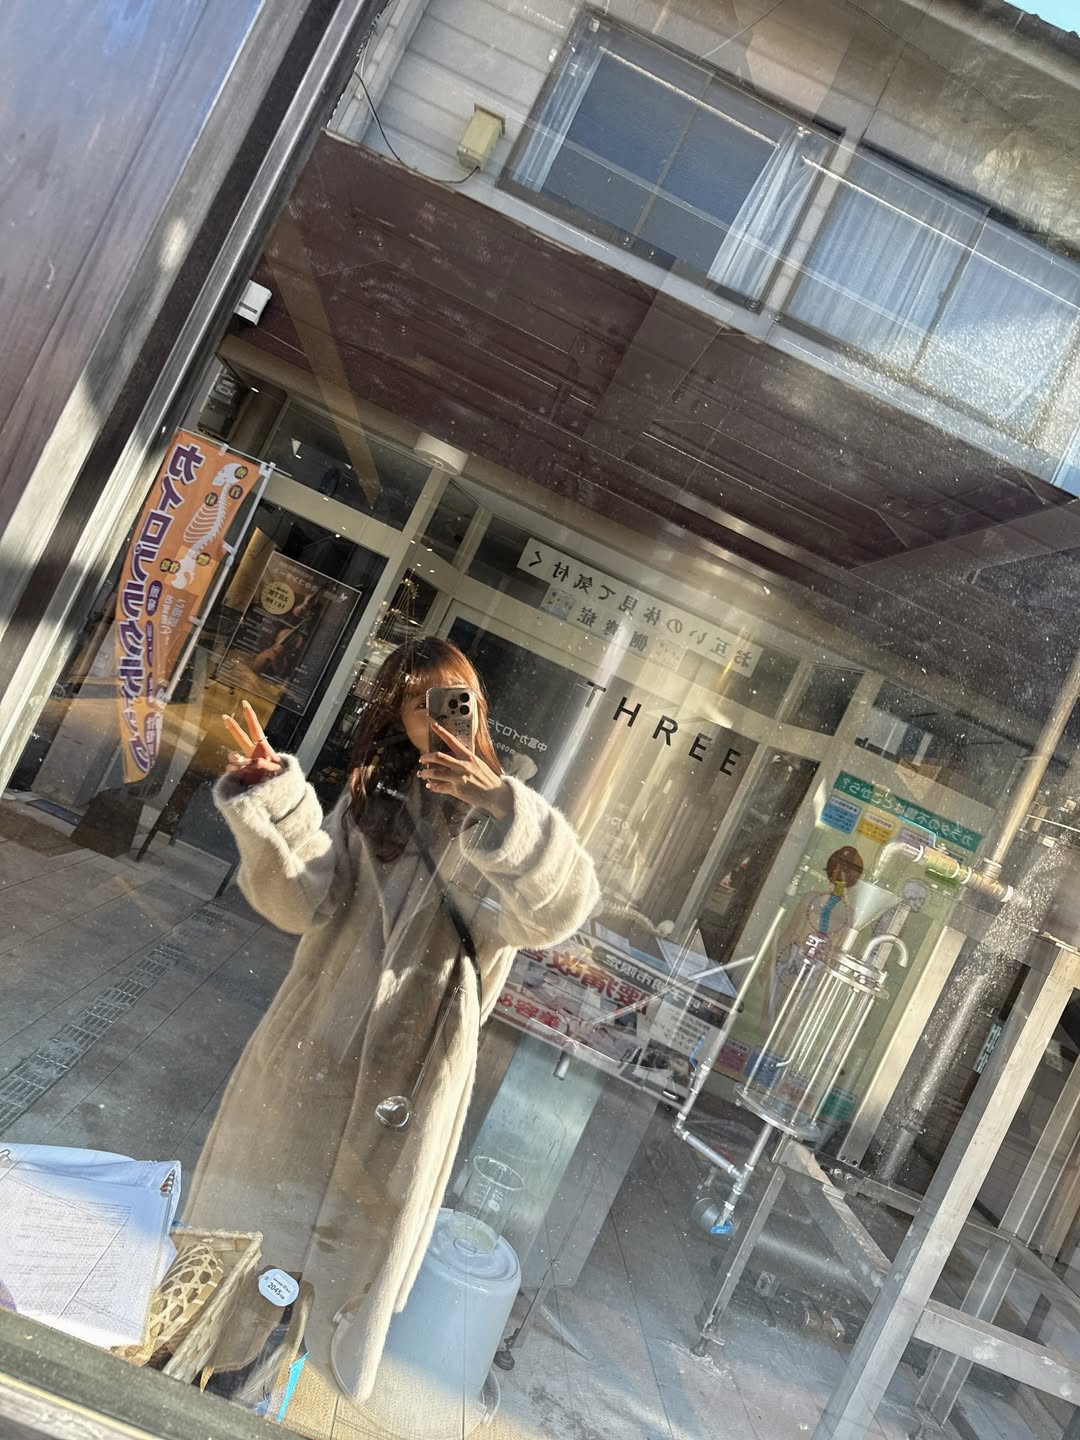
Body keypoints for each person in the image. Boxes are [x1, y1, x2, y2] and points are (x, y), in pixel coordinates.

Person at [182, 638, 600, 1402]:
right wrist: (274, 801)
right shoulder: (373, 801)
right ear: (395, 714)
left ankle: (239, 1399)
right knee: (254, 1250)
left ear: (476, 706)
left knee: (333, 1275)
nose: (434, 716)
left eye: (452, 698)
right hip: (312, 1050)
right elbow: (303, 904)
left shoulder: (503, 820)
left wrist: (502, 807)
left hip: (412, 1074)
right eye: (415, 701)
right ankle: (205, 1386)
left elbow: (558, 911)